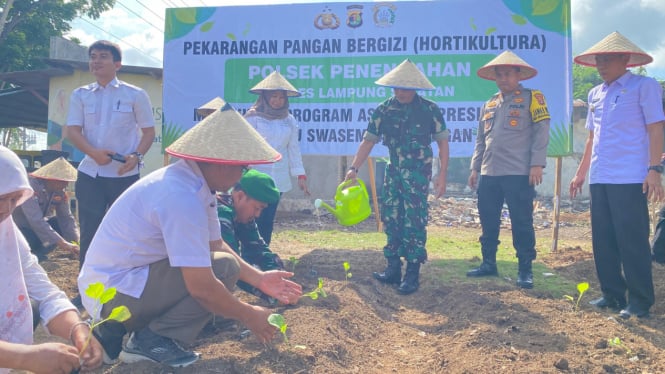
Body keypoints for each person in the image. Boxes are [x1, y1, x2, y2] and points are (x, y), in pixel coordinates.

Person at [78, 103, 302, 368]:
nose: (242, 175)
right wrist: (248, 314)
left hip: (129, 283)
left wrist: (260, 278)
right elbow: (201, 286)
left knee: (224, 265)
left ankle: (139, 334)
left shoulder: (195, 185)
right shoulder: (180, 196)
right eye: (242, 167)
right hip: (112, 296)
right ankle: (149, 340)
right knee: (220, 270)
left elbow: (215, 244)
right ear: (222, 164)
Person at [570, 31, 665, 319]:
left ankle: (639, 301)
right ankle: (611, 294)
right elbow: (591, 138)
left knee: (632, 240)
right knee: (603, 238)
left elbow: (655, 128)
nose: (601, 65)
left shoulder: (643, 86)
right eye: (598, 60)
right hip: (601, 175)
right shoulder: (595, 93)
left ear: (626, 59)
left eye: (607, 59)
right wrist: (581, 173)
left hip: (630, 175)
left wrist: (654, 170)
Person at [346, 59, 449, 295]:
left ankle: (412, 273)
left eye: (405, 88)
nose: (400, 92)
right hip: (393, 173)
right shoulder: (384, 109)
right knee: (391, 217)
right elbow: (368, 140)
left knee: (414, 220)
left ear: (415, 87)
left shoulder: (429, 109)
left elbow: (443, 142)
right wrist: (353, 168)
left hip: (418, 175)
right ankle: (393, 268)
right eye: (397, 88)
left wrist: (442, 174)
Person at [0, 146, 102, 374]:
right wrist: (24, 358)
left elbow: (42, 288)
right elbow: (37, 223)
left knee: (29, 304)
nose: (7, 209)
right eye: (1, 198)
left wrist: (76, 328)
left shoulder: (7, 231)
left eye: (14, 199)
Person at [66, 40, 156, 268]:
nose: (96, 61)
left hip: (124, 173)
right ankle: (86, 281)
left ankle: (122, 277)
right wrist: (94, 154)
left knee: (125, 229)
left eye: (103, 56)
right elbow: (73, 132)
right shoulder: (80, 95)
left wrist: (137, 156)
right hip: (91, 174)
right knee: (89, 228)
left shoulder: (135, 94)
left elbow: (148, 133)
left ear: (117, 64)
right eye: (93, 56)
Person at [465, 51, 550, 289]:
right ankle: (488, 263)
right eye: (499, 75)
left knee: (522, 221)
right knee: (488, 220)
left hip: (519, 171)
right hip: (489, 171)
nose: (503, 79)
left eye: (508, 74)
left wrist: (537, 164)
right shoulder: (489, 103)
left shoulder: (533, 97)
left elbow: (541, 132)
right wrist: (475, 168)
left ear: (518, 75)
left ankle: (525, 269)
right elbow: (481, 139)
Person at [245, 71, 310, 245]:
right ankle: (249, 252)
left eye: (281, 97)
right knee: (252, 215)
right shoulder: (253, 117)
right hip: (255, 173)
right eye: (273, 96)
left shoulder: (289, 120)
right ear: (265, 97)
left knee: (268, 217)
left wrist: (300, 175)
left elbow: (293, 148)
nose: (277, 100)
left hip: (278, 176)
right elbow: (244, 144)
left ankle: (265, 250)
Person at [218, 169, 284, 302]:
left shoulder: (241, 214)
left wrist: (281, 282)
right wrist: (271, 292)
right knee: (225, 264)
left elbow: (258, 249)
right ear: (240, 196)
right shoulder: (221, 214)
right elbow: (233, 265)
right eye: (257, 208)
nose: (258, 215)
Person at [13, 157, 80, 262]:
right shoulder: (30, 187)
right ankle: (29, 255)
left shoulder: (59, 192)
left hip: (37, 229)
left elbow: (66, 218)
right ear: (51, 179)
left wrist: (76, 242)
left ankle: (39, 254)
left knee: (57, 223)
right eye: (64, 181)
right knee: (27, 237)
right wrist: (62, 243)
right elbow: (35, 220)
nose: (66, 184)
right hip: (19, 228)